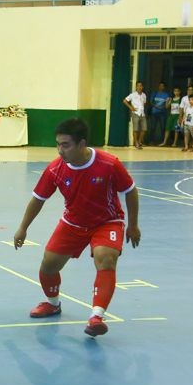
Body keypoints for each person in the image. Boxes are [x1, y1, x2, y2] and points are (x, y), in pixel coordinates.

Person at [13, 118, 140, 337]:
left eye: (65, 145)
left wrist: (133, 225)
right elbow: (38, 199)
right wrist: (23, 228)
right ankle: (53, 304)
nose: (60, 150)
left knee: (105, 257)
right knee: (48, 266)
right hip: (73, 223)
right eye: (58, 144)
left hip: (106, 221)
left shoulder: (109, 163)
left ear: (81, 144)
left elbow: (130, 190)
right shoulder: (55, 169)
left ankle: (96, 317)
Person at [123, 81, 147, 149]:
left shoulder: (144, 95)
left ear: (142, 87)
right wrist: (131, 107)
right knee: (135, 129)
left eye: (141, 86)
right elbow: (124, 101)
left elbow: (144, 103)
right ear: (136, 87)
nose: (139, 87)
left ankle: (139, 142)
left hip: (142, 113)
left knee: (144, 129)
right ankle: (136, 143)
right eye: (138, 86)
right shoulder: (132, 94)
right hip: (135, 113)